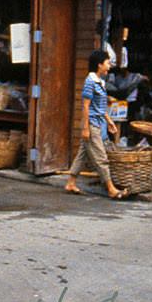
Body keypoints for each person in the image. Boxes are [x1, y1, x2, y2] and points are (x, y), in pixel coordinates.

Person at [65, 49, 127, 199]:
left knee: (82, 154)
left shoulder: (100, 82)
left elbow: (100, 107)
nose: (109, 65)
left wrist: (109, 120)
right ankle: (111, 189)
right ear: (99, 65)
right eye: (107, 63)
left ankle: (71, 183)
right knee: (101, 158)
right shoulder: (90, 82)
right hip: (91, 124)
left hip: (97, 123)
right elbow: (86, 106)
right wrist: (86, 128)